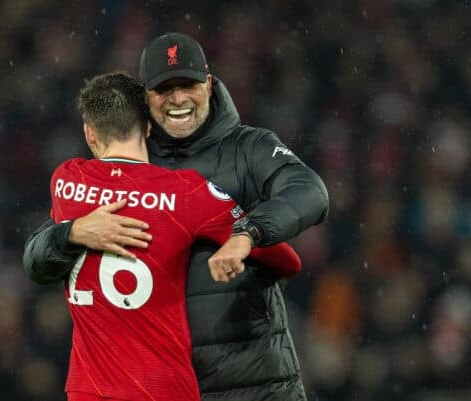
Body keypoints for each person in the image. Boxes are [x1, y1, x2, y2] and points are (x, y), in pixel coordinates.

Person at [24, 33, 329, 401]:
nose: (178, 98)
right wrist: (70, 233)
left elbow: (309, 191)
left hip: (256, 382)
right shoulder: (123, 166)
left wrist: (249, 232)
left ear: (209, 84)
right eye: (164, 88)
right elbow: (37, 261)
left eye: (188, 84)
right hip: (165, 388)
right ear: (144, 98)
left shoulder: (249, 147)